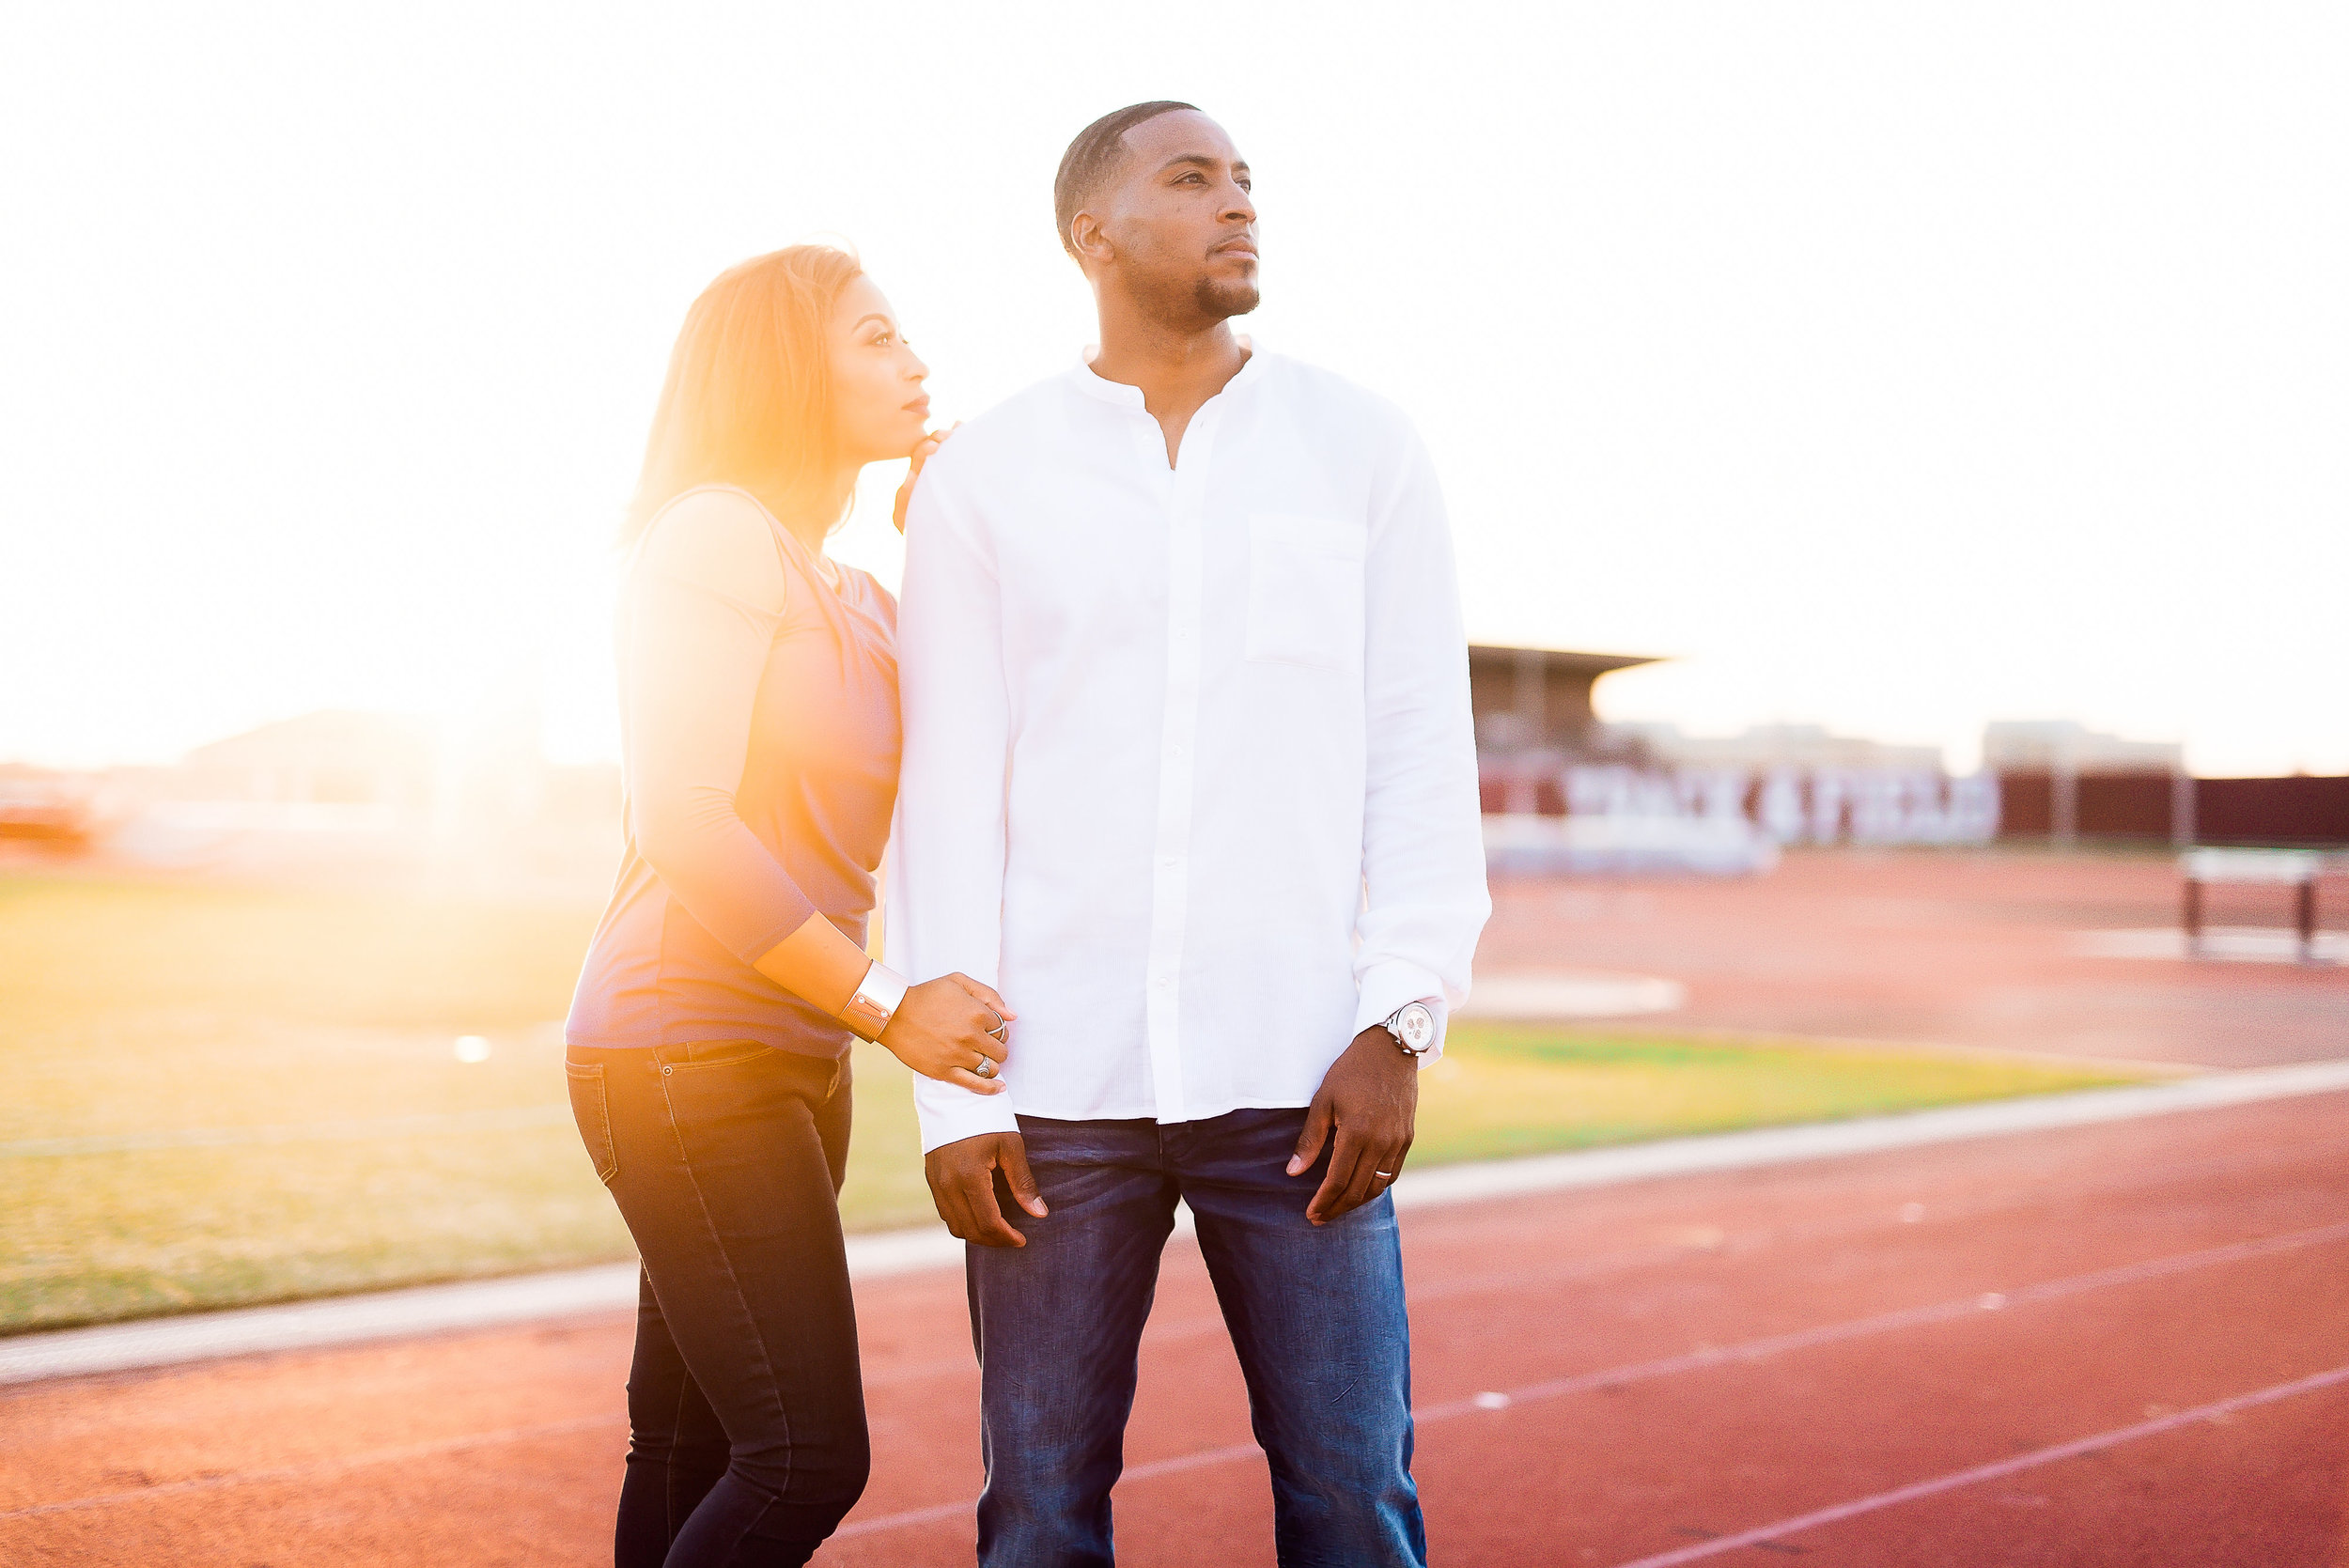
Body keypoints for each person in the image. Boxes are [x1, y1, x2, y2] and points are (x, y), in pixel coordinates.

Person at [890, 103, 1491, 1567]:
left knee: (1355, 1503)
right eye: (1193, 179)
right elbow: (946, 792)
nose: (1239, 205)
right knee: (1036, 1516)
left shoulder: (1363, 448)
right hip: (1054, 1093)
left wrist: (1398, 1023)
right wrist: (958, 1103)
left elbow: (1423, 756)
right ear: (1093, 232)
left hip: (1300, 1081)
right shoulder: (986, 478)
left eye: (1245, 181)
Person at [563, 243, 1008, 1568]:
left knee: (694, 1444)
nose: (915, 361)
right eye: (875, 337)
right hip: (683, 1043)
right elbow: (684, 819)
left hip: (788, 1054)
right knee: (810, 1457)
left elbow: (993, 740)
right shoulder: (711, 533)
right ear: (783, 368)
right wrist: (885, 1007)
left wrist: (961, 536)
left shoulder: (863, 595)